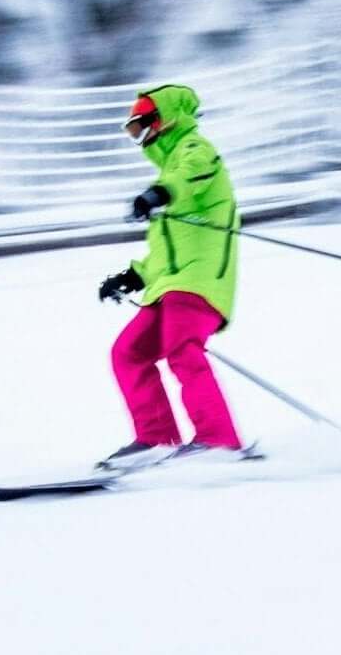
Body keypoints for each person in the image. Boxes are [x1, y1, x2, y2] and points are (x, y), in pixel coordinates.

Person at [96, 84, 253, 469]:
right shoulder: (167, 168)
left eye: (141, 126)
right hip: (170, 284)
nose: (139, 137)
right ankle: (156, 438)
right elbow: (165, 253)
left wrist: (157, 194)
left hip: (201, 282)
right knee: (128, 353)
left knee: (182, 348)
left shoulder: (196, 150)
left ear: (162, 120)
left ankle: (219, 440)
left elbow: (190, 176)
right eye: (132, 130)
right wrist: (132, 277)